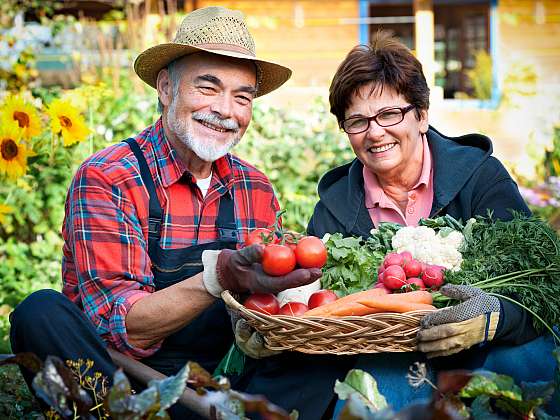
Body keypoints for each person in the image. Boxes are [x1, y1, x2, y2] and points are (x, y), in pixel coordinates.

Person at [9, 6, 321, 418]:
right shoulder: (109, 178)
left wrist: (279, 313)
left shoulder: (254, 187)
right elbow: (120, 328)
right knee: (39, 314)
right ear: (165, 87)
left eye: (242, 96)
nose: (227, 110)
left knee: (320, 366)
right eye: (208, 88)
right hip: (130, 379)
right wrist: (220, 275)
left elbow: (265, 308)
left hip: (225, 380)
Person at [237, 31, 558, 418]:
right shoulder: (335, 207)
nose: (374, 132)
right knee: (373, 394)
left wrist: (493, 318)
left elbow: (541, 283)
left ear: (421, 115)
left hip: (480, 351)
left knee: (531, 364)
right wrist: (273, 331)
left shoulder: (480, 177)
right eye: (356, 122)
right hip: (388, 358)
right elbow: (311, 306)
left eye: (389, 114)